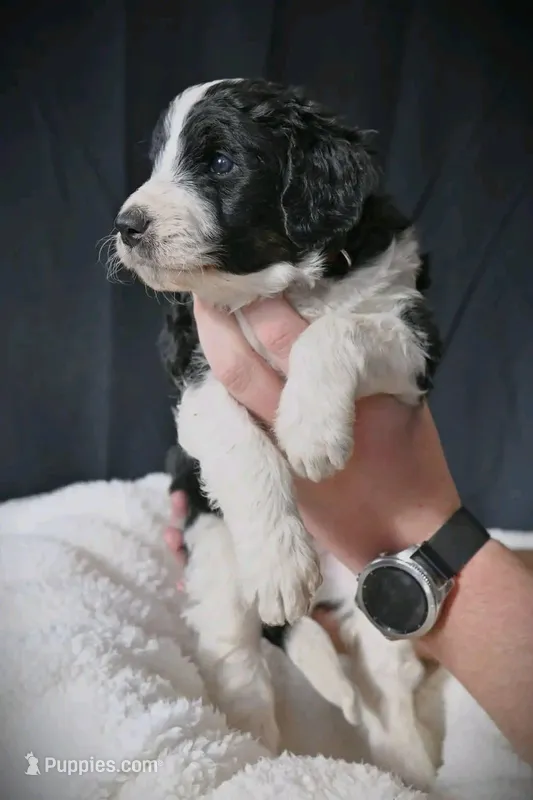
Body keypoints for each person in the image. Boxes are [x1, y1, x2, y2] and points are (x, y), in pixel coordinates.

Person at [164, 295, 533, 765]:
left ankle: (399, 743)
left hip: (389, 555)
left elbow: (412, 352)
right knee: (236, 651)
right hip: (260, 534)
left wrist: (414, 541)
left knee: (391, 690)